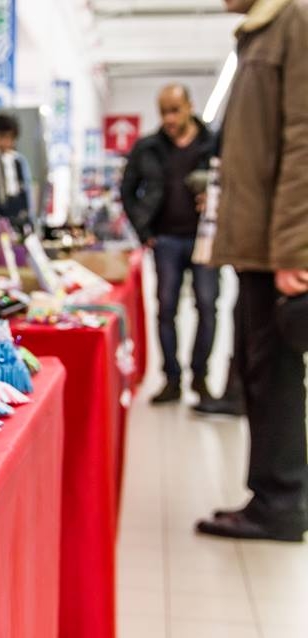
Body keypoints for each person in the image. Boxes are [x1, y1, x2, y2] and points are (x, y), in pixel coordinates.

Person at [195, 0, 308, 542]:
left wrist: (293, 248)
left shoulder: (296, 23)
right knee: (260, 376)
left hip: (275, 251)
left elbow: (304, 142)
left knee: (277, 377)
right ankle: (269, 496)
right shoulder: (259, 34)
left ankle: (281, 503)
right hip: (255, 246)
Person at [121, 85, 218, 405]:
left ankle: (200, 377)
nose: (169, 118)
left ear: (190, 106)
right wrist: (143, 229)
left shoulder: (213, 143)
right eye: (163, 111)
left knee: (207, 305)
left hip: (205, 238)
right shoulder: (148, 147)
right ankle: (171, 379)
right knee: (166, 309)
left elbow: (234, 181)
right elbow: (127, 189)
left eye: (175, 110)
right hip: (165, 240)